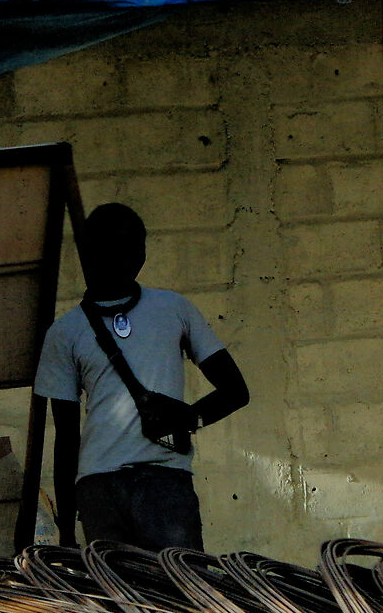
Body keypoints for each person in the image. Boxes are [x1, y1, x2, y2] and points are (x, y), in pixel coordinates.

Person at [35, 203, 250, 551]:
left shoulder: (173, 309)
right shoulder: (64, 332)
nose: (122, 258)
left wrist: (189, 417)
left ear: (141, 255)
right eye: (109, 247)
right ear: (90, 254)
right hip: (99, 489)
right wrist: (67, 531)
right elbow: (66, 438)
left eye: (129, 248)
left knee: (180, 595)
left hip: (162, 481)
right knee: (125, 601)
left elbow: (235, 391)